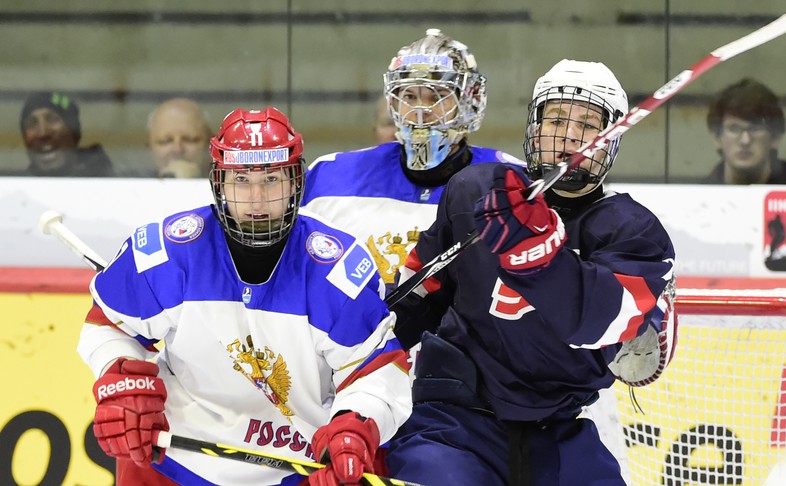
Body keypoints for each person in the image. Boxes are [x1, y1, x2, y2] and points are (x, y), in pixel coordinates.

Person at [76, 107, 411, 485]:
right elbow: (109, 324)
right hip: (175, 458)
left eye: (271, 179)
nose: (256, 200)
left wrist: (355, 426)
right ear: (218, 183)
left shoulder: (335, 269)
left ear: (295, 181)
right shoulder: (170, 253)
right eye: (240, 179)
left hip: (298, 466)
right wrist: (120, 378)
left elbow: (376, 371)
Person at [385, 59, 677, 485]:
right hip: (453, 424)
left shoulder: (632, 231)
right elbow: (412, 303)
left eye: (589, 124)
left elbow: (600, 322)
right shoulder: (476, 191)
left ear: (610, 140)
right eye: (556, 119)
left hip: (560, 433)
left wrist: (536, 249)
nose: (570, 136)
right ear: (534, 127)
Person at [302, 28, 524, 293]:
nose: (421, 112)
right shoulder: (328, 177)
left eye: (438, 97)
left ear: (469, 101)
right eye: (409, 96)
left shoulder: (511, 181)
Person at [702, 78, 786, 184]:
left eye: (755, 128)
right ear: (717, 138)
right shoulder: (694, 197)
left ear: (775, 137)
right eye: (734, 129)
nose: (745, 141)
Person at [19, 91, 114, 177]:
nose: (43, 133)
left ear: (74, 133)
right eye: (32, 124)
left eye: (52, 120)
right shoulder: (15, 188)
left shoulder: (109, 185)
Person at [147, 97, 213, 178]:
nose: (177, 149)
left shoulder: (226, 186)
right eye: (166, 141)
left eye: (190, 140)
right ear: (149, 146)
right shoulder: (130, 184)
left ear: (210, 144)